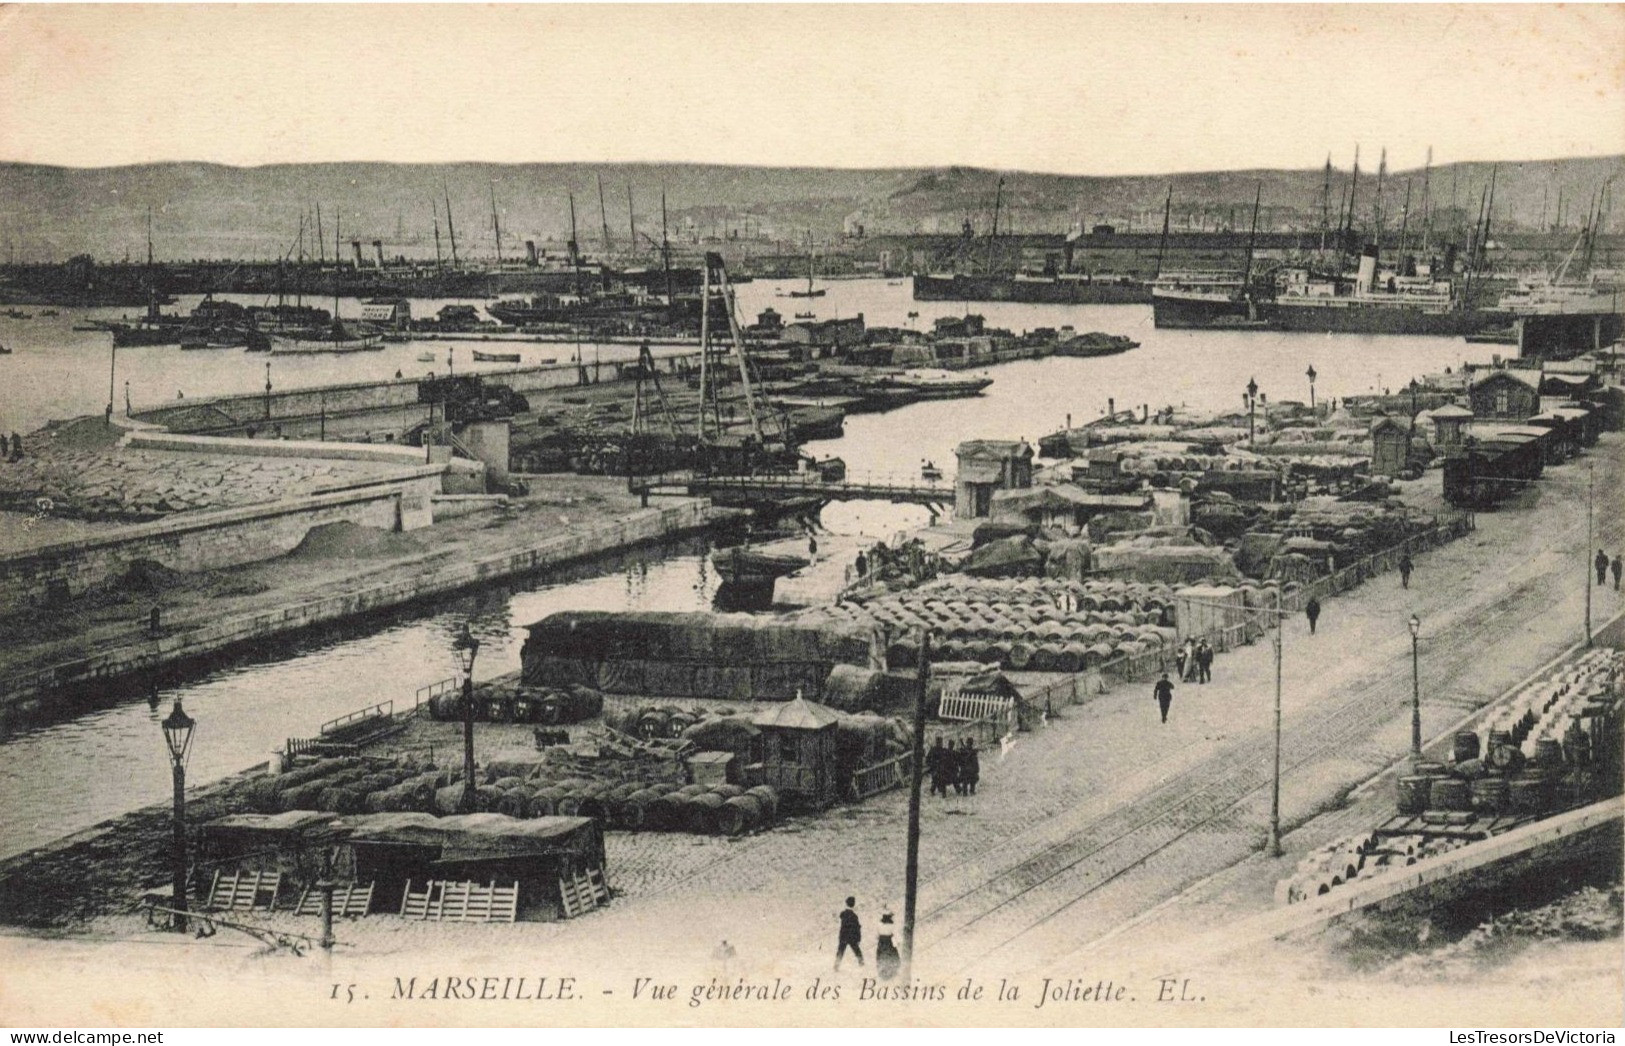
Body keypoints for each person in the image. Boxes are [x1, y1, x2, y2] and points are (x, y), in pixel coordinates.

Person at [835, 896, 863, 970]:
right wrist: (858, 938)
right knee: (856, 950)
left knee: (841, 950)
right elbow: (857, 928)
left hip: (843, 936)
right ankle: (861, 963)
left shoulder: (843, 914)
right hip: (851, 936)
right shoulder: (854, 916)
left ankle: (836, 965)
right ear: (853, 904)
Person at [875, 912, 901, 981]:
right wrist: (898, 942)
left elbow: (876, 936)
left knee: (881, 956)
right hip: (889, 942)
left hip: (881, 943)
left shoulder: (879, 925)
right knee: (892, 956)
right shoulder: (892, 925)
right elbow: (896, 935)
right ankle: (892, 972)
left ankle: (882, 973)